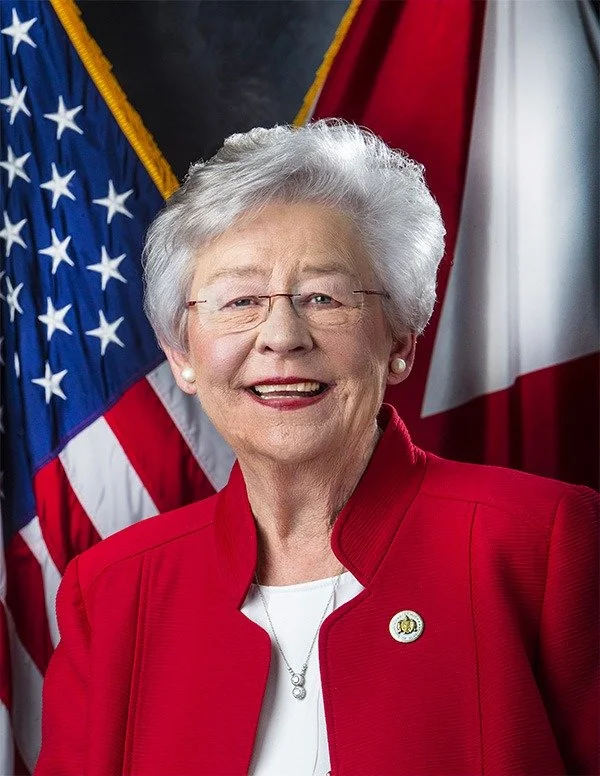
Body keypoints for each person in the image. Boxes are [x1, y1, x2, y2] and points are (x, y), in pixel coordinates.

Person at [36, 120, 598, 776]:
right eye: (239, 300)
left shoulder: (543, 544)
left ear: (399, 343)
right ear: (182, 356)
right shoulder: (111, 591)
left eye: (323, 297)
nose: (280, 336)